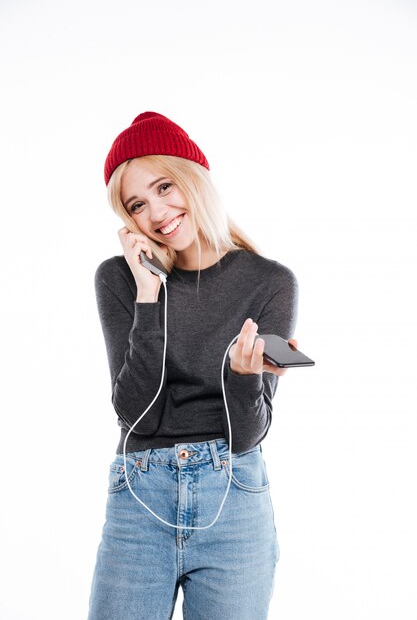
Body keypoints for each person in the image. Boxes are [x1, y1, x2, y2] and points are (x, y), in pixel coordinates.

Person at [87, 111, 299, 620]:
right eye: (137, 205)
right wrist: (148, 293)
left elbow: (247, 435)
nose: (157, 212)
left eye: (164, 187)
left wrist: (243, 379)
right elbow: (134, 412)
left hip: (234, 493)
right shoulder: (119, 279)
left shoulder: (269, 282)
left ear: (193, 178)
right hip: (140, 495)